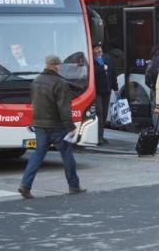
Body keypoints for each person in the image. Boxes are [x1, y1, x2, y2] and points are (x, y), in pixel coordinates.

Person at [17, 55, 84, 199]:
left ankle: (25, 185)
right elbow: (64, 109)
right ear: (57, 66)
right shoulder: (60, 83)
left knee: (37, 155)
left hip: (40, 125)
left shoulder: (36, 81)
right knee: (67, 154)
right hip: (57, 126)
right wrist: (70, 126)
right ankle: (74, 186)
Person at [92, 43, 115, 146]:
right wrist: (102, 68)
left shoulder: (107, 58)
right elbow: (92, 72)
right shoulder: (91, 59)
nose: (98, 50)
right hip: (96, 90)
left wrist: (115, 86)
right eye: (96, 48)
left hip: (107, 89)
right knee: (99, 112)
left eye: (99, 48)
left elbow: (112, 72)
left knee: (104, 113)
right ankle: (97, 136)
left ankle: (101, 135)